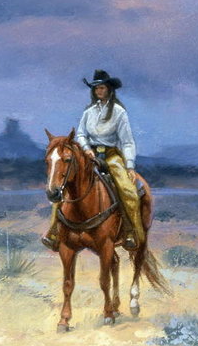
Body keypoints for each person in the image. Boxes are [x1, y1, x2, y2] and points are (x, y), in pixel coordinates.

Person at [42, 69, 144, 251]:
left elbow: (127, 141)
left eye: (102, 88)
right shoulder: (89, 112)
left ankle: (130, 231)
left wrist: (129, 165)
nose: (99, 91)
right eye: (96, 88)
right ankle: (54, 231)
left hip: (111, 155)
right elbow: (81, 134)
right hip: (89, 154)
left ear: (109, 89)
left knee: (128, 190)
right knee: (62, 184)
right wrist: (87, 149)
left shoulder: (119, 112)